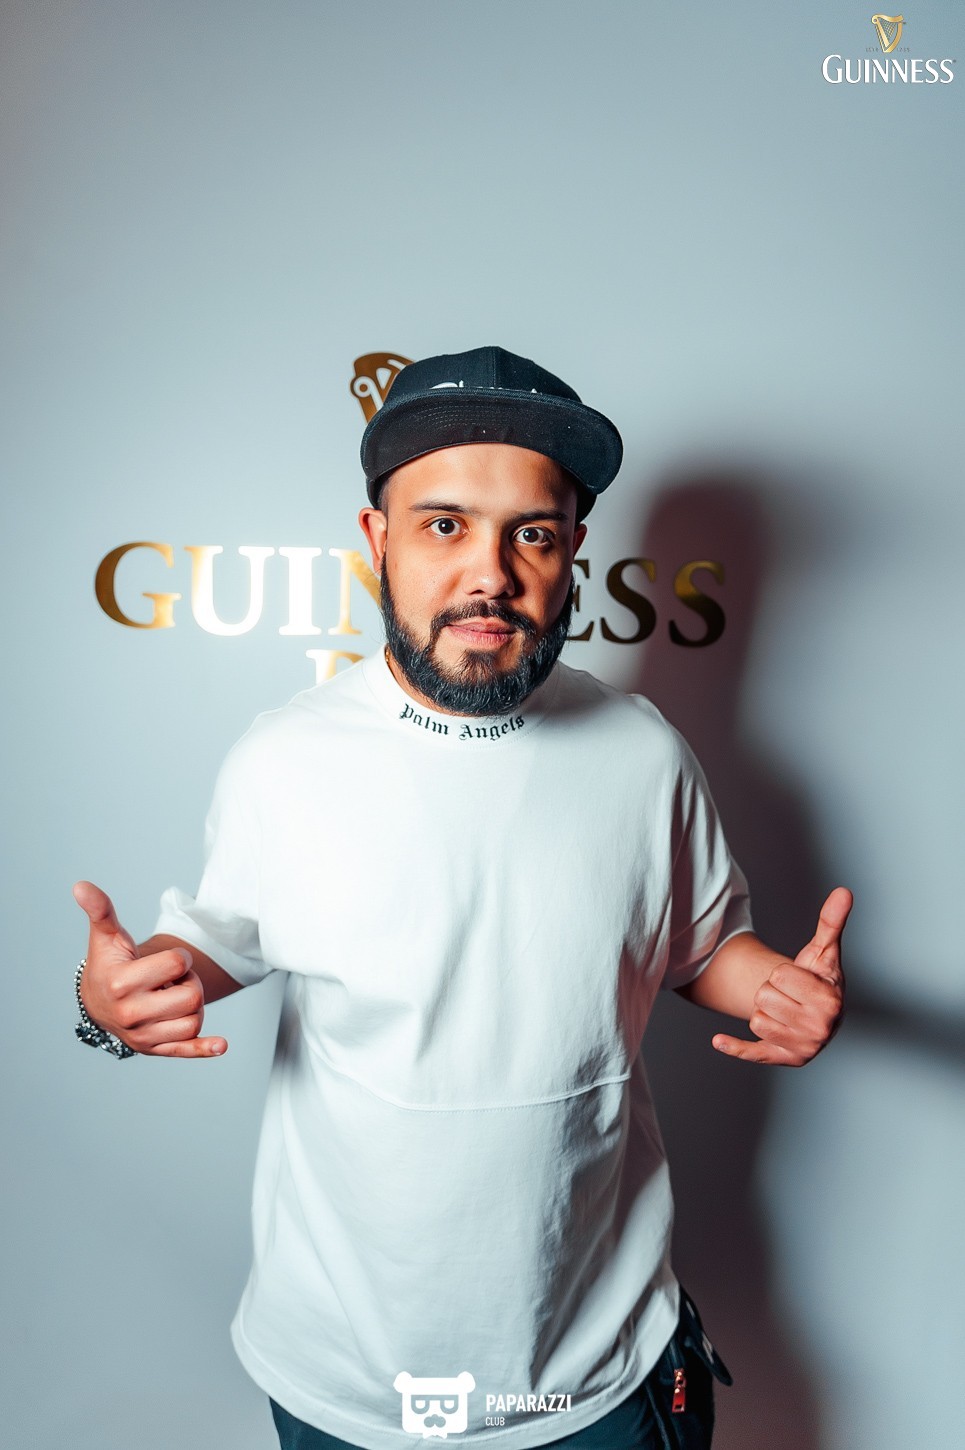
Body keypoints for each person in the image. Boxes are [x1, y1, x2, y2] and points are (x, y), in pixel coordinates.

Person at [73, 346, 850, 1450]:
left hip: (595, 1366)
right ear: (377, 540)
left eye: (530, 533)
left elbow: (698, 944)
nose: (489, 573)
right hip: (347, 1374)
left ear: (572, 551)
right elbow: (214, 943)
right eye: (444, 525)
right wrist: (114, 1000)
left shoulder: (641, 753)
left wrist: (771, 989)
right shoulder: (285, 759)